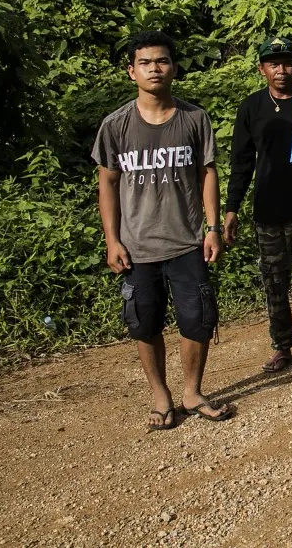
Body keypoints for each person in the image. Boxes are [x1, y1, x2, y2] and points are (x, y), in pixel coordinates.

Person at [92, 30, 232, 430]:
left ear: (173, 67)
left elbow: (207, 173)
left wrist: (212, 228)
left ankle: (192, 392)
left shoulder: (194, 118)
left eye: (162, 61)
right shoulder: (116, 125)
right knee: (144, 322)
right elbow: (107, 183)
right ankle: (160, 396)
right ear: (131, 71)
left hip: (187, 242)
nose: (155, 69)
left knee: (198, 319)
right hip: (137, 247)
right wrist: (112, 240)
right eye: (146, 63)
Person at [225, 37, 292, 373]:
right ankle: (282, 346)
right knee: (274, 282)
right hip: (270, 212)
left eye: (287, 63)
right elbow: (241, 162)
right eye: (273, 64)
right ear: (262, 69)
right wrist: (231, 209)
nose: (281, 70)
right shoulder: (251, 107)